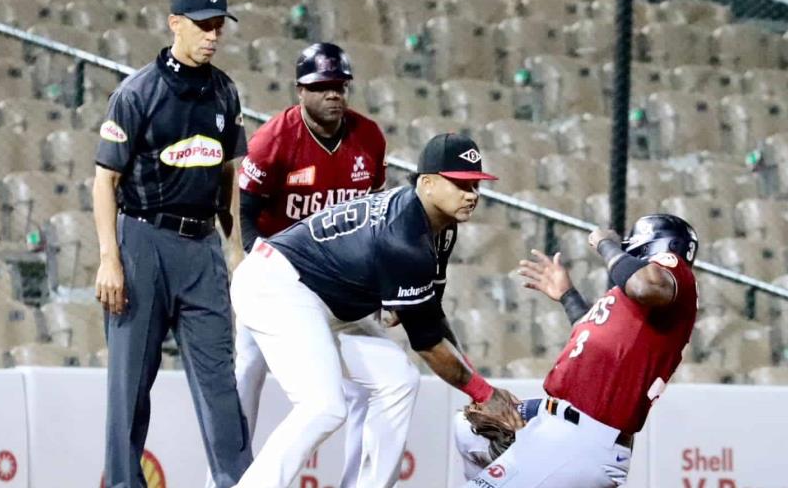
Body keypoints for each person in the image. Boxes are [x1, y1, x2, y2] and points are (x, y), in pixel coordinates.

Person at [230, 133, 524, 487]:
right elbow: (427, 345)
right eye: (461, 184)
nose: (472, 195)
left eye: (476, 185)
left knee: (398, 380)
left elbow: (432, 317)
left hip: (322, 299)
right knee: (322, 407)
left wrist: (481, 385)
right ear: (428, 184)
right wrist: (484, 394)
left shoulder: (439, 227)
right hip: (276, 285)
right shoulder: (405, 239)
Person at [92, 0, 251, 486]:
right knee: (129, 389)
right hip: (143, 242)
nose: (213, 34)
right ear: (174, 23)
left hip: (202, 247)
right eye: (204, 24)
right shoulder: (137, 92)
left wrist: (235, 250)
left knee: (220, 385)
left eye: (219, 24)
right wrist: (109, 259)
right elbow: (104, 179)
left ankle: (235, 481)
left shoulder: (225, 91)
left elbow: (229, 173)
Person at [230, 42, 388, 486]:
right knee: (246, 376)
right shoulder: (274, 139)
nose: (333, 94)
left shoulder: (369, 138)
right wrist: (259, 266)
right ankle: (226, 478)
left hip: (338, 283)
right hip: (281, 277)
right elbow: (246, 209)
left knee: (383, 382)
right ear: (301, 90)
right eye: (321, 87)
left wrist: (376, 286)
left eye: (339, 85)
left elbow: (374, 215)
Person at [459, 214, 700, 488]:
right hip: (555, 421)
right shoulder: (640, 308)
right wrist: (567, 294)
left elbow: (645, 285)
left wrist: (607, 244)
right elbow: (590, 332)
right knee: (468, 430)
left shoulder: (672, 273)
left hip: (582, 439)